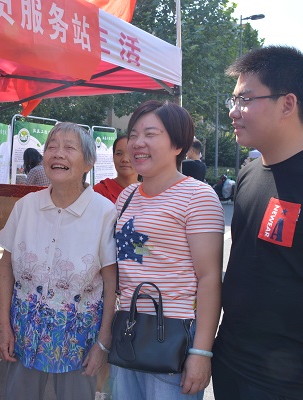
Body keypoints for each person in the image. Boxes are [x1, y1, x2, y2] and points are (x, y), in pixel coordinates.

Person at [212, 46, 303, 400]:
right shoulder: (249, 173)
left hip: (293, 378)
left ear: (288, 104)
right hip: (231, 361)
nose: (234, 111)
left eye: (245, 99)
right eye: (234, 100)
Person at [111, 100, 224, 399]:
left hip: (174, 337)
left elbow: (210, 278)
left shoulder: (198, 197)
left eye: (150, 134)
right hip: (128, 330)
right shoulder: (126, 196)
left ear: (178, 145)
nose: (138, 143)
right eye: (134, 135)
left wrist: (201, 352)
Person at [0, 122, 117, 400]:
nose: (58, 153)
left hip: (78, 339)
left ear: (89, 163)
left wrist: (103, 342)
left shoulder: (104, 212)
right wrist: (4, 327)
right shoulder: (25, 206)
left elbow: (112, 286)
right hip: (24, 334)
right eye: (52, 147)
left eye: (69, 148)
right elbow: (5, 269)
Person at [93, 134, 139, 203]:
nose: (125, 159)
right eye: (119, 154)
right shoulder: (100, 192)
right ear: (113, 157)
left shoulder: (149, 192)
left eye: (131, 154)